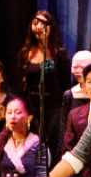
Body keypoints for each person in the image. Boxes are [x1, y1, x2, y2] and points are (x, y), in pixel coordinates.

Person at [16, 10, 71, 149]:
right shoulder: (25, 53)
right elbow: (20, 83)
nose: (38, 26)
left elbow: (65, 84)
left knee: (53, 146)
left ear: (50, 27)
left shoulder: (59, 53)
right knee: (33, 146)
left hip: (54, 108)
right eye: (35, 23)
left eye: (43, 23)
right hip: (32, 108)